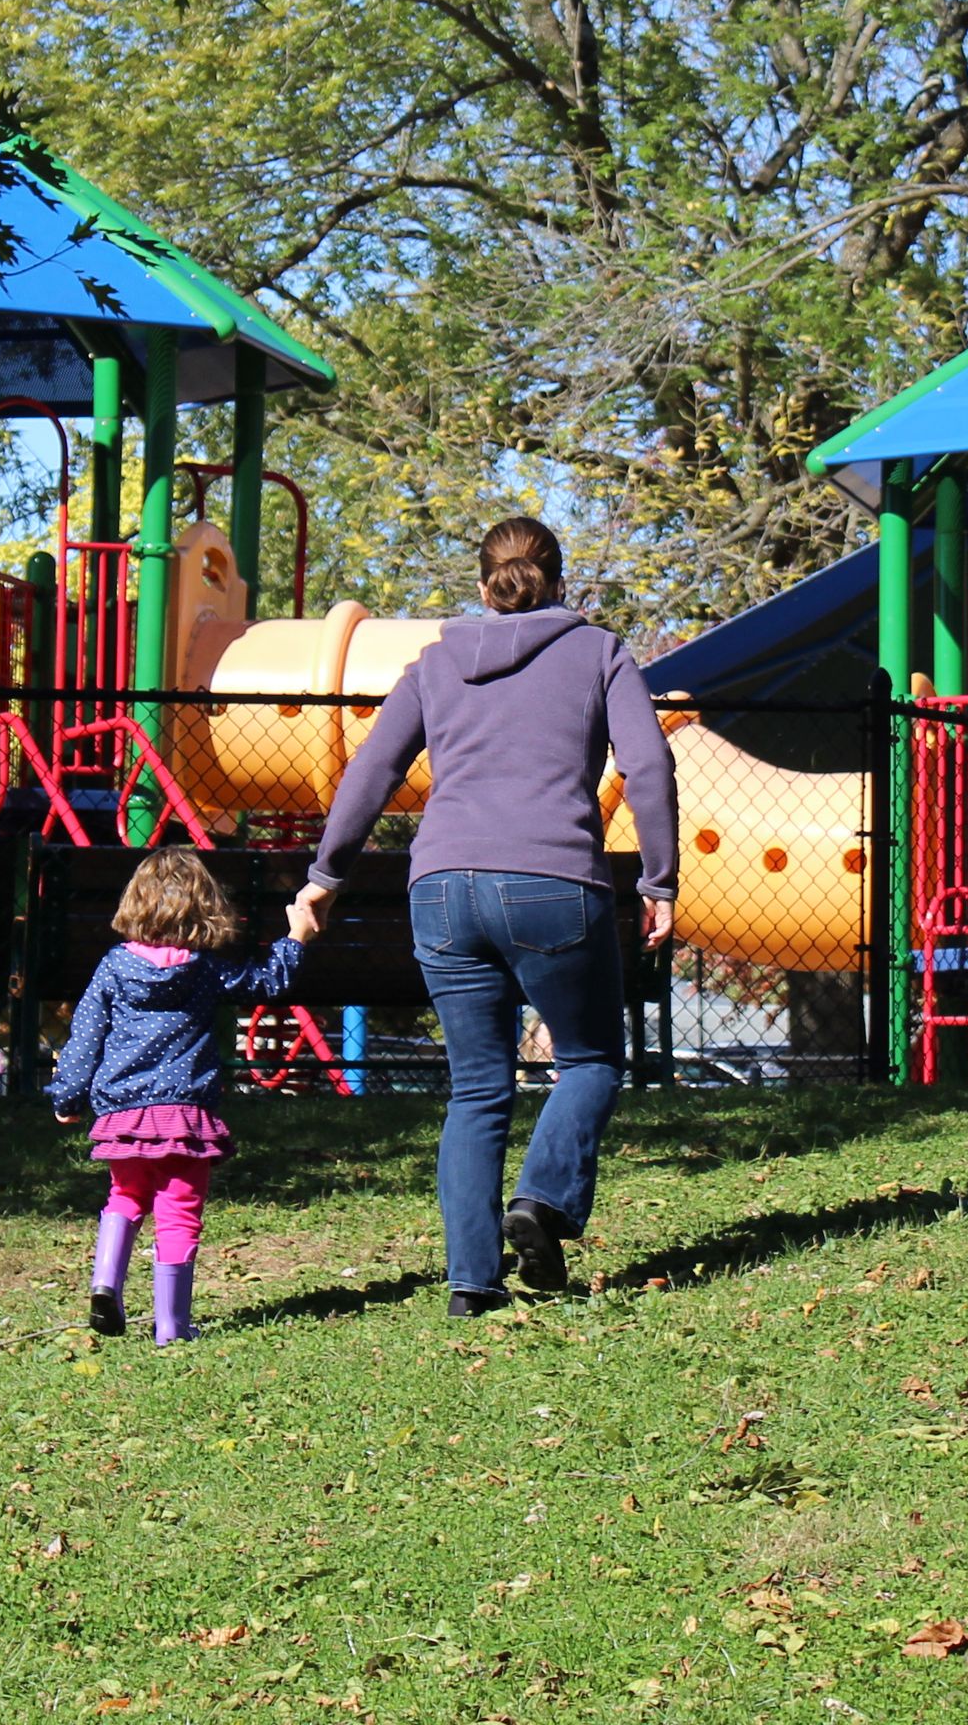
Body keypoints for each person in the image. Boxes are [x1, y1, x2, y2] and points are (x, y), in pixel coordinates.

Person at [292, 515, 676, 1316]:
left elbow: (373, 767)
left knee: (476, 1091)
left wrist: (327, 873)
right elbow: (647, 762)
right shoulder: (600, 652)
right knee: (592, 1060)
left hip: (440, 889)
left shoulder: (434, 663)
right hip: (553, 883)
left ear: (481, 585)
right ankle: (541, 1202)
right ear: (559, 581)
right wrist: (659, 880)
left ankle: (472, 1283)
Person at [48, 848, 306, 1346]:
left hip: (123, 1111)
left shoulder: (113, 967)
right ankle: (171, 1326)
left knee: (124, 1196)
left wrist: (68, 1096)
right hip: (185, 1114)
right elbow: (268, 981)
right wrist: (295, 937)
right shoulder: (206, 970)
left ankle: (105, 1283)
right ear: (204, 909)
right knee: (179, 1210)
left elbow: (85, 1034)